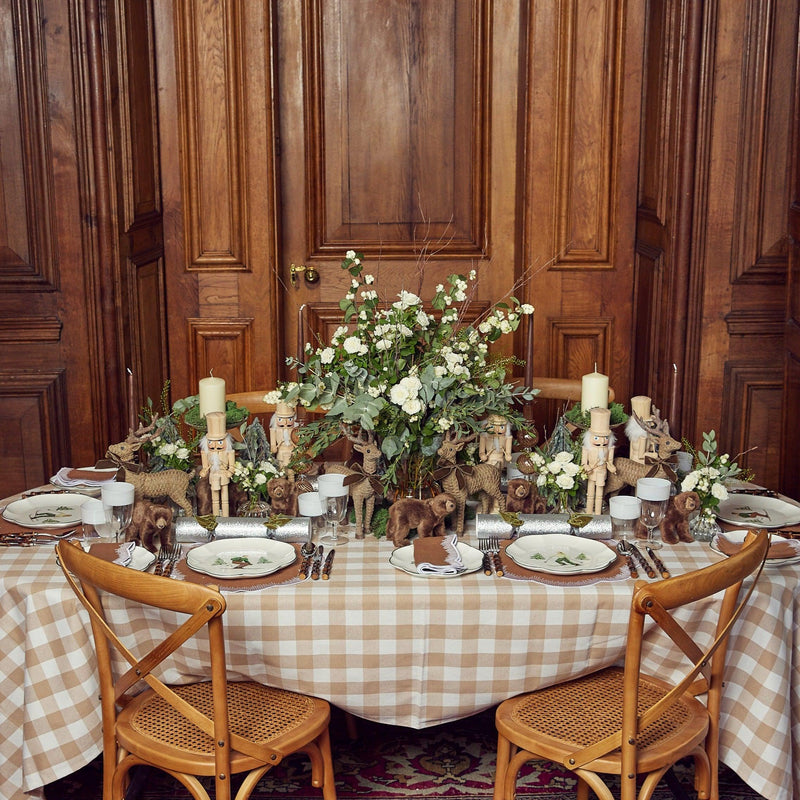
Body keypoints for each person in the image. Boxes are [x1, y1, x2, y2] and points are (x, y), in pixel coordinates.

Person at [199, 411, 236, 516]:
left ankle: (225, 517)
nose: (215, 446)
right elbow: (205, 467)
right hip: (213, 475)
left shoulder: (228, 452)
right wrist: (203, 471)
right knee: (214, 498)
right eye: (211, 442)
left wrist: (230, 471)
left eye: (219, 442)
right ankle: (216, 517)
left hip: (223, 475)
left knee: (225, 498)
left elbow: (232, 465)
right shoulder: (206, 453)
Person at [581, 407, 616, 515]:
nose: (601, 441)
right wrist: (586, 467)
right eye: (597, 438)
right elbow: (583, 462)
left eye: (605, 437)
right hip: (592, 472)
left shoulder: (609, 449)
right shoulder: (587, 449)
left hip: (602, 472)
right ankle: (589, 511)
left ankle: (598, 513)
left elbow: (610, 462)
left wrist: (612, 467)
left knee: (600, 494)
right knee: (590, 494)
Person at [270, 402, 299, 479]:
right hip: (281, 452)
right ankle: (283, 483)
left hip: (292, 451)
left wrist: (298, 447)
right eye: (281, 419)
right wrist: (273, 448)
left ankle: (292, 482)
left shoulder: (295, 430)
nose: (285, 422)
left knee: (291, 471)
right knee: (282, 470)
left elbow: (298, 442)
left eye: (289, 419)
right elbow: (273, 445)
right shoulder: (274, 430)